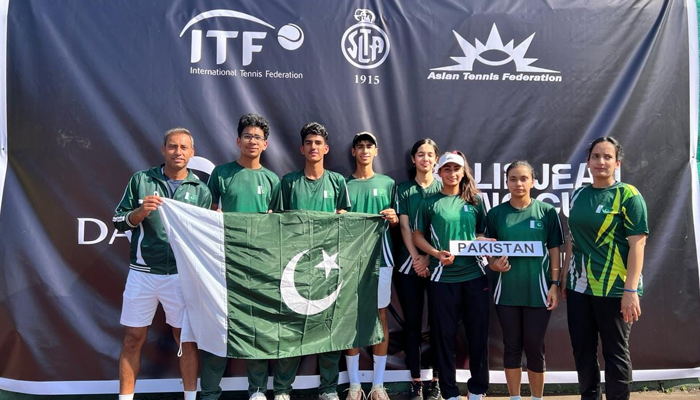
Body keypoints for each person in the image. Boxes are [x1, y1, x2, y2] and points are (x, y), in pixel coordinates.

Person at [112, 127, 212, 400]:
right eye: (172, 146)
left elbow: (204, 236)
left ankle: (190, 398)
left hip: (181, 276)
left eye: (183, 147)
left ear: (191, 153)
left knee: (185, 340)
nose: (178, 152)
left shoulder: (201, 190)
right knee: (133, 338)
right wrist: (140, 211)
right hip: (142, 274)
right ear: (163, 149)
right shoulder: (141, 180)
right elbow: (118, 221)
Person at [201, 114, 295, 400]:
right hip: (225, 262)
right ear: (237, 140)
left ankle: (257, 389)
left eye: (258, 138)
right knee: (219, 325)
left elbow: (276, 223)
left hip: (260, 265)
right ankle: (209, 393)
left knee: (257, 325)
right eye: (247, 136)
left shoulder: (272, 179)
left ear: (265, 144)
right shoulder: (221, 174)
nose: (252, 141)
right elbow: (207, 214)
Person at [269, 122, 351, 400]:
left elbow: (346, 223)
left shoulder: (337, 182)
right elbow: (277, 223)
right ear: (301, 149)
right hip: (295, 266)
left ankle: (328, 388)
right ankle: (282, 389)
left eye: (318, 143)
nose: (313, 147)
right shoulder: (288, 182)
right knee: (291, 329)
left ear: (326, 149)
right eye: (309, 143)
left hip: (328, 267)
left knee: (329, 326)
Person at [561, 137, 648, 400]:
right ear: (588, 162)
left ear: (617, 163)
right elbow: (572, 239)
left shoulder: (629, 195)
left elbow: (638, 246)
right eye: (596, 156)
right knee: (582, 351)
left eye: (608, 157)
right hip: (578, 288)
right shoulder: (578, 195)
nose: (601, 161)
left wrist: (630, 290)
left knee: (615, 353)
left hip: (615, 289)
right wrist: (564, 276)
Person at [485, 160, 565, 400]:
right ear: (506, 182)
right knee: (511, 346)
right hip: (506, 291)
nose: (518, 183)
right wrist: (493, 264)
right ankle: (515, 397)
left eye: (523, 178)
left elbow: (554, 250)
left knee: (534, 346)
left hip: (538, 291)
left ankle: (536, 398)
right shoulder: (496, 214)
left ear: (533, 181)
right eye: (513, 179)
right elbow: (488, 251)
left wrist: (554, 284)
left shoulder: (547, 212)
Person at [412, 151, 489, 400]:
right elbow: (417, 235)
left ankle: (477, 390)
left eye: (456, 169)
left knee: (478, 336)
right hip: (442, 279)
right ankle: (450, 392)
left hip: (475, 276)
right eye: (447, 169)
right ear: (439, 172)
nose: (452, 173)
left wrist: (482, 244)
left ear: (463, 172)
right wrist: (436, 253)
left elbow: (480, 233)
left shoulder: (476, 200)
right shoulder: (429, 202)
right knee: (443, 338)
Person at [344, 132, 398, 400]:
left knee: (380, 316)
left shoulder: (388, 184)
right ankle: (354, 385)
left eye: (369, 146)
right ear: (353, 152)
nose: (365, 150)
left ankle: (378, 385)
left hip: (381, 260)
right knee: (350, 317)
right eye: (360, 146)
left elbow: (399, 223)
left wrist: (394, 218)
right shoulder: (343, 184)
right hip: (350, 262)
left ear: (376, 151)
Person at [394, 139, 442, 400]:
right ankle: (416, 382)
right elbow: (404, 226)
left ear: (436, 159)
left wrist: (429, 257)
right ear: (413, 159)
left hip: (438, 265)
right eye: (420, 154)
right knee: (412, 324)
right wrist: (416, 258)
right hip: (408, 265)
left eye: (430, 154)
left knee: (439, 324)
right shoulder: (403, 189)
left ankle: (436, 381)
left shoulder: (443, 187)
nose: (425, 159)